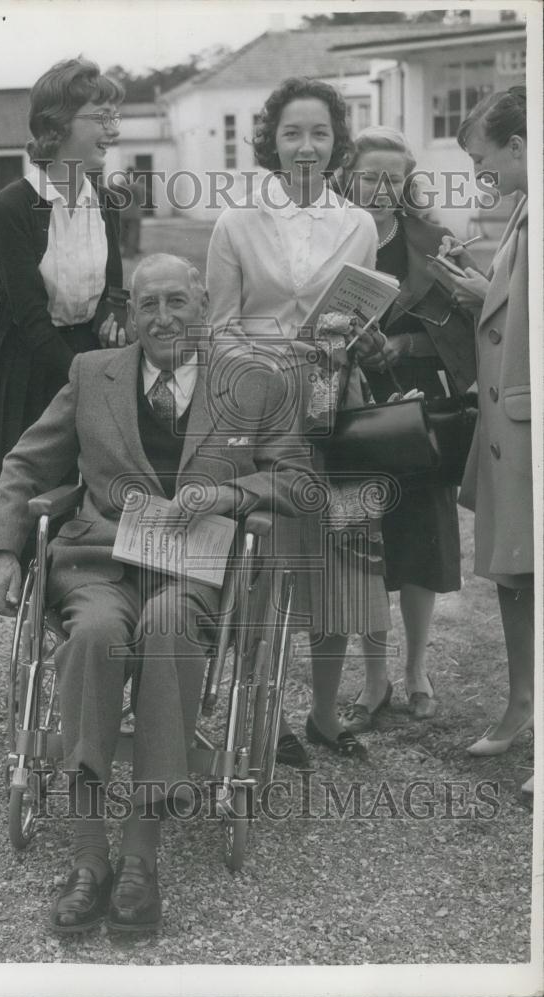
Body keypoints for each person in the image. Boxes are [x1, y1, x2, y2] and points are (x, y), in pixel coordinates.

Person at [0, 254, 314, 933]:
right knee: (98, 635)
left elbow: (293, 478)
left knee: (166, 630)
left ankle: (140, 858)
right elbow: (26, 463)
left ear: (202, 305)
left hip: (191, 571)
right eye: (147, 305)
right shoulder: (91, 373)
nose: (163, 317)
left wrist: (228, 492)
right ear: (128, 315)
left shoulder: (254, 381)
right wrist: (4, 550)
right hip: (100, 561)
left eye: (177, 302)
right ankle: (87, 859)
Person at [206, 76, 390, 762]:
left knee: (344, 565)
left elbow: (360, 311)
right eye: (292, 133)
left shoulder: (360, 223)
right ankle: (265, 716)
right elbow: (219, 330)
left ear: (337, 141)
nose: (307, 146)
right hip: (265, 420)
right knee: (271, 567)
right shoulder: (236, 222)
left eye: (319, 132)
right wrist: (277, 367)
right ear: (272, 143)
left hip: (340, 410)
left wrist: (361, 342)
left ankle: (322, 715)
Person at [0, 58, 127, 582]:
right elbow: (30, 317)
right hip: (31, 371)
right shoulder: (13, 209)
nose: (112, 129)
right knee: (28, 510)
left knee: (96, 505)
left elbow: (113, 285)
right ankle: (28, 631)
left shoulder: (108, 199)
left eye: (113, 117)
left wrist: (115, 316)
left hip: (91, 361)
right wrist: (87, 381)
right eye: (99, 117)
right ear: (56, 126)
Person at [338, 127, 477, 731]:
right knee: (362, 544)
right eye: (370, 175)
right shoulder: (331, 233)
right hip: (347, 405)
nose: (381, 187)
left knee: (419, 542)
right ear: (349, 175)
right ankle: (374, 675)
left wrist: (402, 342)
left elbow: (474, 321)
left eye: (394, 177)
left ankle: (417, 669)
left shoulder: (434, 241)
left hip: (418, 406)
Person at [431, 87, 533, 792]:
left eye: (481, 160)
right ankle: (521, 703)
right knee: (513, 572)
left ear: (521, 146)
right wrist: (478, 290)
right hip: (509, 424)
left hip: (530, 425)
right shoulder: (525, 206)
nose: (477, 177)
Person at [120, 166, 146, 258]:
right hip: (134, 213)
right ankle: (130, 253)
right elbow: (140, 200)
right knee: (133, 233)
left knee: (124, 233)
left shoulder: (120, 184)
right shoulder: (137, 185)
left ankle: (125, 251)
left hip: (122, 212)